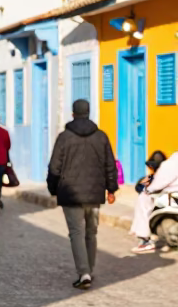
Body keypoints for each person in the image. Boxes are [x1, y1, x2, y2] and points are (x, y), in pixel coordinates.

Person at [47, 98, 118, 289]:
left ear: (73, 114)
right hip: (94, 193)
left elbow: (54, 167)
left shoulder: (64, 137)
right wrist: (111, 189)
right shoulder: (101, 136)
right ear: (88, 113)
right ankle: (89, 270)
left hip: (70, 194)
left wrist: (52, 188)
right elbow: (110, 165)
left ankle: (84, 272)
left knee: (76, 232)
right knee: (91, 232)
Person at [130, 149, 178, 253]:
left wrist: (147, 190)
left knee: (143, 198)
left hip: (171, 198)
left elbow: (157, 185)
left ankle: (144, 240)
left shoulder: (171, 163)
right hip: (173, 197)